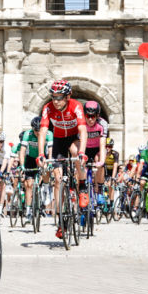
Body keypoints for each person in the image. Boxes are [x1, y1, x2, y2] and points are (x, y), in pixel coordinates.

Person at [36, 79, 89, 239]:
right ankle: (61, 222)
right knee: (58, 180)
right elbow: (43, 132)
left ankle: (82, 186)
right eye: (53, 97)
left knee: (75, 152)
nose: (56, 101)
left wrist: (82, 152)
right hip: (58, 141)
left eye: (59, 97)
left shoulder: (76, 106)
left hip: (73, 138)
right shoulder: (48, 108)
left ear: (67, 97)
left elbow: (83, 130)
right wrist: (41, 154)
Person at [80, 101, 108, 204]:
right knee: (80, 165)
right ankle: (82, 190)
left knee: (99, 161)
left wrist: (102, 161)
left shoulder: (102, 124)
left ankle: (99, 189)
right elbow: (79, 142)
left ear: (97, 115)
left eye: (93, 116)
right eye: (88, 116)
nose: (90, 119)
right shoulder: (81, 123)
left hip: (97, 148)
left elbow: (102, 144)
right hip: (85, 148)